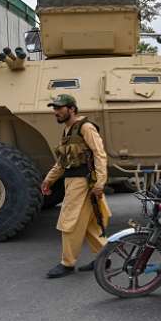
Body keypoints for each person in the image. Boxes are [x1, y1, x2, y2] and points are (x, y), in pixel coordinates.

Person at [41, 94, 112, 279]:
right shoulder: (68, 131)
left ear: (71, 108)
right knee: (89, 225)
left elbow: (100, 154)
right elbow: (63, 161)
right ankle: (105, 258)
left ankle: (67, 263)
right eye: (54, 108)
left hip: (83, 183)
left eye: (59, 108)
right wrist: (49, 179)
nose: (55, 112)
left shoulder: (85, 128)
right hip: (73, 181)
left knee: (68, 223)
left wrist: (100, 182)